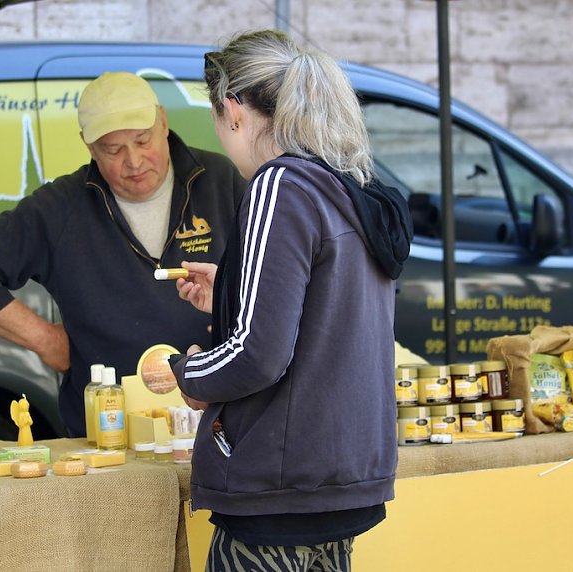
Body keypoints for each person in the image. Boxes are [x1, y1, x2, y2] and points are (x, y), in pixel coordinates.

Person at [170, 30, 412, 571]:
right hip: (342, 480)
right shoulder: (347, 187)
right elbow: (326, 320)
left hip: (279, 490)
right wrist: (233, 294)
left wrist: (187, 372)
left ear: (232, 110)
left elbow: (258, 354)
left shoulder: (278, 185)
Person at [0, 71, 247, 437]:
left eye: (142, 140)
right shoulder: (60, 207)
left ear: (163, 122)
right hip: (107, 434)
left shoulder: (223, 180)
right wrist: (47, 341)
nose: (133, 161)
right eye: (113, 150)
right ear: (88, 146)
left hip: (216, 424)